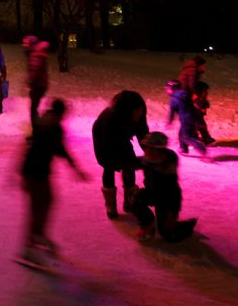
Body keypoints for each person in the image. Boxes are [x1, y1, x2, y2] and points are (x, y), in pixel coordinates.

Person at [20, 98, 88, 264]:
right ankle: (30, 246)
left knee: (46, 202)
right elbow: (57, 149)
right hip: (35, 172)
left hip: (37, 172)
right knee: (38, 208)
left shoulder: (45, 122)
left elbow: (55, 148)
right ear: (60, 113)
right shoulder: (50, 127)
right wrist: (75, 168)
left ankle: (38, 235)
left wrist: (75, 168)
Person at [92, 90, 149, 219]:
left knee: (129, 166)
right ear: (127, 110)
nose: (139, 113)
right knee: (109, 166)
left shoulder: (140, 113)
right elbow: (111, 146)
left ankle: (129, 201)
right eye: (137, 110)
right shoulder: (110, 118)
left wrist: (150, 152)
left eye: (141, 110)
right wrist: (128, 161)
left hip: (122, 137)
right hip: (103, 138)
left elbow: (142, 134)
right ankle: (110, 205)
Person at [132, 131, 197, 242]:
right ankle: (147, 224)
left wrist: (173, 213)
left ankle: (186, 226)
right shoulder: (146, 160)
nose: (148, 151)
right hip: (152, 193)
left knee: (168, 235)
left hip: (166, 199)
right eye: (147, 148)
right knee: (137, 198)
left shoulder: (167, 167)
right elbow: (131, 163)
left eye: (153, 149)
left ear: (161, 150)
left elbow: (175, 192)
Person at [165, 79, 207, 156]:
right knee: (182, 134)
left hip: (185, 120)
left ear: (173, 88)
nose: (166, 90)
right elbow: (195, 103)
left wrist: (169, 122)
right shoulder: (187, 93)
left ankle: (201, 148)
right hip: (194, 117)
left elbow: (172, 113)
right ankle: (183, 148)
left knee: (186, 137)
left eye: (168, 88)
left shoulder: (173, 99)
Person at [23, 35, 50, 134]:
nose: (24, 46)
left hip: (38, 85)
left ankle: (37, 132)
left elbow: (35, 70)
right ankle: (38, 130)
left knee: (33, 110)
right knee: (34, 109)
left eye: (26, 44)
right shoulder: (36, 53)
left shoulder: (35, 54)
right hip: (40, 84)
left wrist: (31, 83)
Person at [192, 80, 215, 145]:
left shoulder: (200, 97)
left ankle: (206, 138)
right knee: (199, 126)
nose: (206, 92)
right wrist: (204, 104)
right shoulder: (195, 97)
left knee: (202, 127)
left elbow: (205, 105)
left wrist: (205, 102)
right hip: (195, 116)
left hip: (199, 116)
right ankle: (202, 138)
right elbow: (200, 105)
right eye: (204, 91)